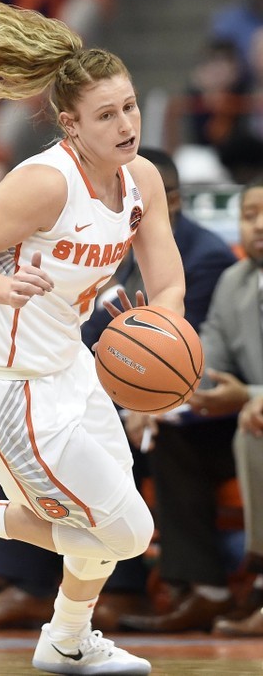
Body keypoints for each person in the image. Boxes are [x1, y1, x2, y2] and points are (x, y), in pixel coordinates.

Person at [0, 0, 185, 675]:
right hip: (5, 383)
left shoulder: (142, 180)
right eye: (107, 115)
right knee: (126, 529)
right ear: (71, 122)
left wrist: (163, 329)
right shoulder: (43, 184)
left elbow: (169, 283)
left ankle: (66, 638)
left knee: (110, 515)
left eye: (129, 107)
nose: (126, 124)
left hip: (69, 366)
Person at [88, 148, 238, 634]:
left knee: (160, 436)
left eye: (123, 194)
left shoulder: (207, 257)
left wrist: (145, 403)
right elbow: (94, 339)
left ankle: (182, 586)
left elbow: (187, 355)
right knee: (77, 426)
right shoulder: (114, 245)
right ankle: (98, 584)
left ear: (166, 199)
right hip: (152, 403)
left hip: (207, 410)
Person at [182, 177, 263, 637]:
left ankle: (260, 575)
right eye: (249, 216)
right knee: (172, 435)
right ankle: (200, 586)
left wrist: (250, 398)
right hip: (240, 418)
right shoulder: (234, 281)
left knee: (254, 426)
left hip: (251, 421)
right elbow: (207, 359)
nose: (258, 225)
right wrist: (170, 394)